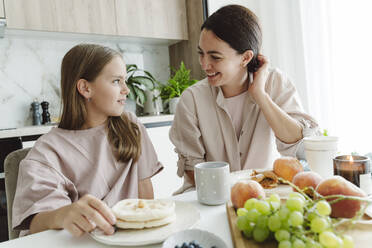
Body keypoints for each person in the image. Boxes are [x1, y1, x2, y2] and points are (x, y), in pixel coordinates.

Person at [12, 44, 163, 237]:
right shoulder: (47, 151)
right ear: (85, 88)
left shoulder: (131, 126)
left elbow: (145, 192)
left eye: (124, 81)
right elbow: (35, 224)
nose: (126, 90)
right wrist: (61, 215)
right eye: (116, 81)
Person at [169, 5, 320, 193]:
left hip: (265, 195)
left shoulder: (274, 82)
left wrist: (261, 96)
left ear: (246, 57)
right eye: (201, 53)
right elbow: (193, 170)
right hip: (209, 197)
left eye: (215, 57)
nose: (204, 64)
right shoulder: (191, 99)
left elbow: (298, 146)